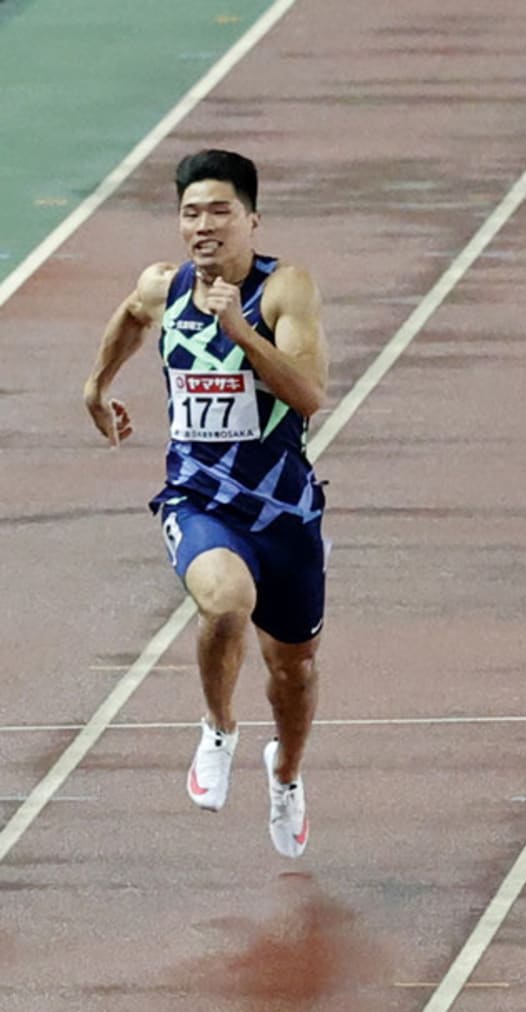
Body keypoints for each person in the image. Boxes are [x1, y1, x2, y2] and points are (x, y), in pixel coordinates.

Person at [83, 148, 330, 857]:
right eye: (191, 213)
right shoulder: (166, 287)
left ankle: (284, 773)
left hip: (285, 513)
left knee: (294, 669)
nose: (204, 226)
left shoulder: (285, 291)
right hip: (199, 501)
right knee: (224, 600)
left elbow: (310, 395)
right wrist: (97, 387)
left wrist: (243, 334)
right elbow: (133, 314)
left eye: (220, 211)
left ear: (252, 218)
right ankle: (218, 728)